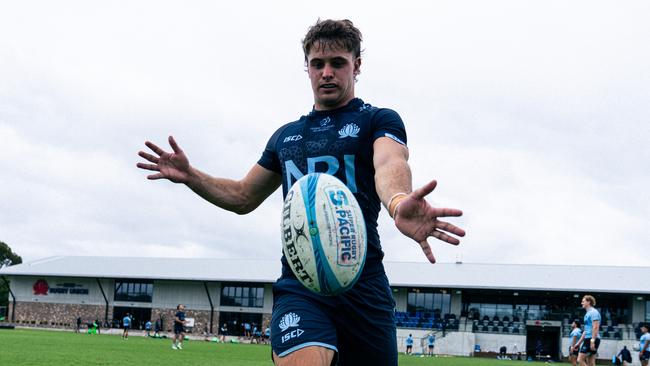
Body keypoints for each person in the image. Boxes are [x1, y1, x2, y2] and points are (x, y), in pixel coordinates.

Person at [137, 19, 465, 366]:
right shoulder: (286, 137)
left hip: (364, 285)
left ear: (357, 66)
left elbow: (389, 163)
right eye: (317, 64)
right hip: (301, 286)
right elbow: (243, 196)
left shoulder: (377, 121)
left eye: (338, 63)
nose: (327, 72)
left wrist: (398, 202)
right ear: (307, 68)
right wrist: (192, 176)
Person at [575, 295, 601, 366]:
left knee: (580, 360)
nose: (581, 303)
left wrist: (592, 341)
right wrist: (578, 343)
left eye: (583, 301)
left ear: (588, 302)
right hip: (589, 338)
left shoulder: (594, 312)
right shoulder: (587, 313)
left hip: (591, 338)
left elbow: (596, 327)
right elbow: (586, 331)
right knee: (591, 362)